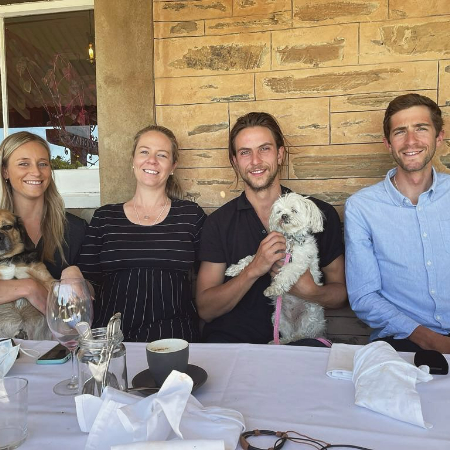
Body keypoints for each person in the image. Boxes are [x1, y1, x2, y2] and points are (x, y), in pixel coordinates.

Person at [196, 112, 346, 344]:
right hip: (232, 344)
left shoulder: (317, 213)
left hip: (300, 344)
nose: (255, 161)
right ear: (235, 161)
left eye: (264, 149)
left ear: (280, 154)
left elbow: (342, 295)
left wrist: (311, 292)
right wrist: (254, 269)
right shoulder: (218, 223)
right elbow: (206, 309)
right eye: (245, 152)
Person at [78, 125, 206, 342]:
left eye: (162, 155)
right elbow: (88, 282)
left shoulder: (190, 215)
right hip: (111, 340)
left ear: (173, 166)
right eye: (144, 152)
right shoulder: (105, 217)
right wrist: (73, 275)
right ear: (133, 160)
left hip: (174, 338)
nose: (152, 160)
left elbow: (211, 275)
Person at [344, 93, 450, 352]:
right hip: (401, 342)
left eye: (421, 129)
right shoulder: (361, 208)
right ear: (388, 143)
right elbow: (364, 297)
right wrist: (432, 340)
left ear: (439, 136)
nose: (411, 141)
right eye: (400, 132)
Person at [0, 131, 87, 315]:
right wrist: (29, 287)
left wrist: (76, 276)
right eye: (24, 164)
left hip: (56, 339)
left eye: (43, 164)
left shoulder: (75, 229)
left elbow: (92, 295)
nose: (36, 172)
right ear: (5, 171)